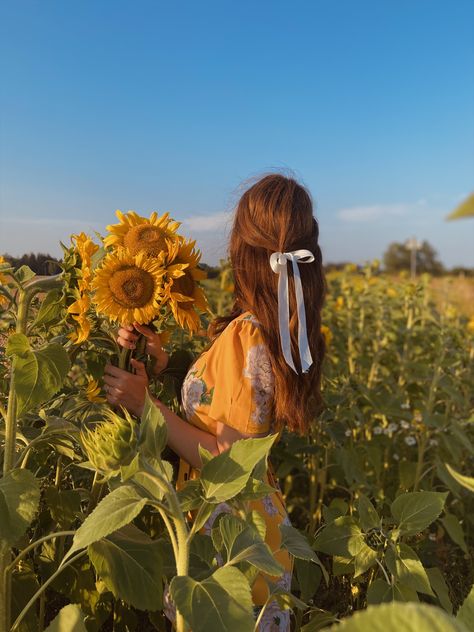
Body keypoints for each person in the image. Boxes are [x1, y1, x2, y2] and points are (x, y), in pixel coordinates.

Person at [103, 173, 326, 631]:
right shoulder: (274, 326)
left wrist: (147, 405)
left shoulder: (249, 335)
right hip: (251, 529)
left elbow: (227, 459)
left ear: (242, 248)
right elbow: (226, 401)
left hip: (226, 544)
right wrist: (165, 364)